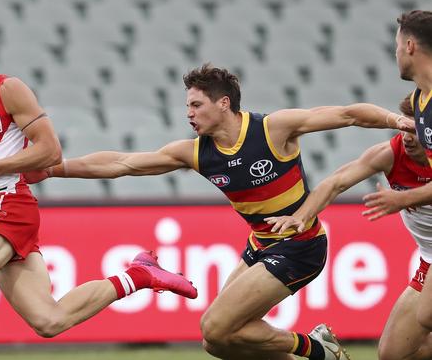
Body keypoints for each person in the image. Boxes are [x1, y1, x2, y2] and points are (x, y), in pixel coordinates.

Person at [24, 63, 414, 360]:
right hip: (259, 246)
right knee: (218, 343)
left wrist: (397, 120)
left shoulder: (273, 130)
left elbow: (348, 114)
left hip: (300, 245)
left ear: (223, 103)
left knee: (215, 325)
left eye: (196, 104)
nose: (189, 113)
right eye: (187, 106)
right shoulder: (197, 152)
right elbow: (123, 162)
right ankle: (318, 353)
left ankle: (315, 348)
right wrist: (55, 168)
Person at [0, 14, 197, 360]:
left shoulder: (6, 90)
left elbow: (50, 151)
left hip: (10, 201)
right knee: (49, 319)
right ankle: (138, 276)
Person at [265, 95, 432, 360]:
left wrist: (402, 199)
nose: (408, 137)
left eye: (415, 130)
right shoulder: (391, 153)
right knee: (393, 354)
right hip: (427, 260)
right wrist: (302, 216)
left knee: (426, 315)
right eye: (404, 128)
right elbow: (337, 181)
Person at [362, 10, 432, 223]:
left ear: (409, 46)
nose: (396, 54)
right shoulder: (420, 98)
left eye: (397, 46)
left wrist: (403, 198)